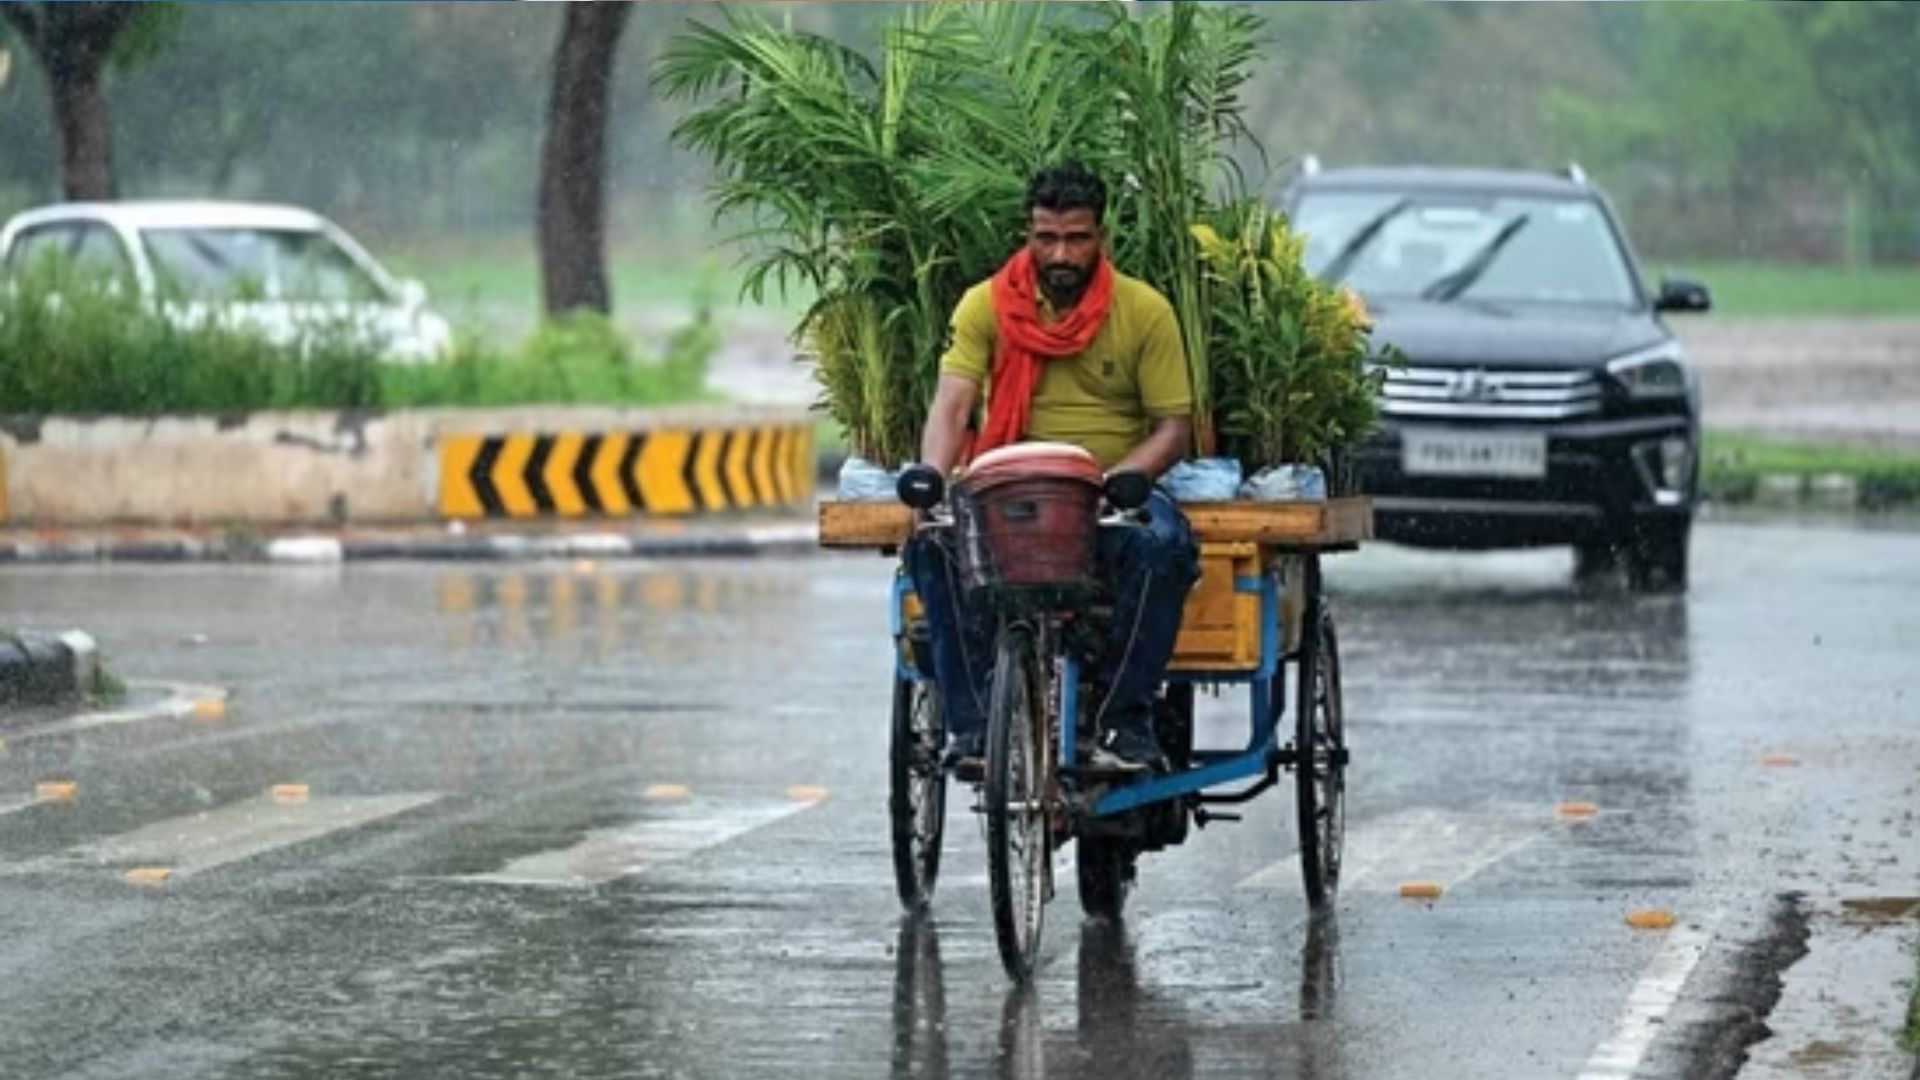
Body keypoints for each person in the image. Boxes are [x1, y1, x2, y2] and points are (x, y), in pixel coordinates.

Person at [905, 162, 1200, 773]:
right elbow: (953, 402)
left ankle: (1123, 721)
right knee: (932, 547)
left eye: (1076, 238)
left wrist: (1132, 476)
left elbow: (1174, 428)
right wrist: (933, 479)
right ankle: (973, 725)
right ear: (1028, 234)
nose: (1060, 253)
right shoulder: (987, 304)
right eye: (1046, 238)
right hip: (1006, 489)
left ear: (1101, 237)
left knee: (1164, 547)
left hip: (1108, 494)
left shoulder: (1145, 311)